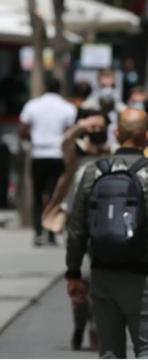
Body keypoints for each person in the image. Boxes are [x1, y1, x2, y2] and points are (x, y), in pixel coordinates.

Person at [65, 108, 148, 358]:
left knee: (109, 351)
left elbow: (77, 228)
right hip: (144, 278)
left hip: (102, 274)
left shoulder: (93, 172)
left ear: (117, 133)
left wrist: (74, 272)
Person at [43, 111, 112, 351]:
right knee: (80, 278)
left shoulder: (113, 155)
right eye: (90, 129)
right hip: (76, 224)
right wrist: (80, 126)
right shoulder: (76, 155)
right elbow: (63, 144)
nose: (94, 132)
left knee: (98, 279)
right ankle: (80, 321)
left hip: (104, 225)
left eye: (99, 127)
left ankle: (95, 326)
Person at [18, 77, 77, 246]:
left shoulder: (33, 105)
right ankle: (51, 230)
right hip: (57, 154)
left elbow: (22, 127)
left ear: (44, 87)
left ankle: (37, 232)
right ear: (60, 89)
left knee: (37, 194)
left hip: (38, 153)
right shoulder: (67, 107)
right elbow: (70, 131)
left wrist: (30, 139)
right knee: (54, 194)